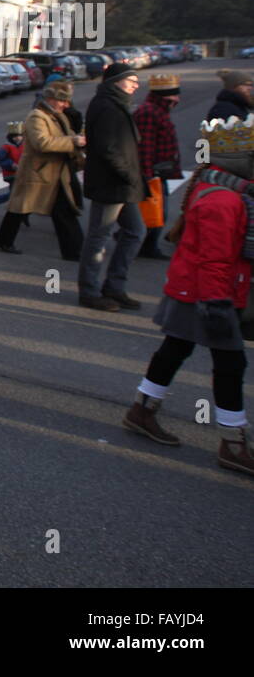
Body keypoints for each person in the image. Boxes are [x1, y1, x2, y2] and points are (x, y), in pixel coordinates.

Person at [119, 114, 254, 476]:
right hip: (206, 294)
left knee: (175, 349)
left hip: (195, 290)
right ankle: (233, 442)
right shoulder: (224, 200)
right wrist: (217, 303)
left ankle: (142, 410)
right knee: (230, 364)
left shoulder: (226, 191)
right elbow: (214, 259)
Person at [78, 63, 145, 312]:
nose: (136, 86)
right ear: (116, 81)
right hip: (111, 183)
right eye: (132, 81)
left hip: (122, 184)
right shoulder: (106, 105)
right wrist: (128, 174)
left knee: (135, 232)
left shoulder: (117, 103)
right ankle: (90, 290)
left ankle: (115, 286)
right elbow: (108, 148)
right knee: (99, 236)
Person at [0, 81, 86, 259]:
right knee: (20, 208)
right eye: (62, 101)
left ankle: (74, 250)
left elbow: (64, 136)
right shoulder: (37, 117)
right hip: (38, 172)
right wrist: (73, 142)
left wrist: (76, 140)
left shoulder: (58, 116)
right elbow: (42, 143)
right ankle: (74, 251)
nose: (66, 105)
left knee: (58, 211)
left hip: (54, 172)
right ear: (51, 99)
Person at [135, 74, 182, 260]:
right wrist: (147, 174)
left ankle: (147, 245)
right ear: (165, 95)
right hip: (153, 171)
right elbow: (144, 145)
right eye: (174, 95)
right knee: (155, 211)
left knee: (157, 211)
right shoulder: (149, 112)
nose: (178, 99)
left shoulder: (158, 110)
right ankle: (144, 245)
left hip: (158, 170)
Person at [0, 122, 25, 215]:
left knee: (18, 193)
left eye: (19, 136)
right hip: (11, 174)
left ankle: (22, 212)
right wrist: (11, 165)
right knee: (14, 194)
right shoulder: (6, 147)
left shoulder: (24, 145)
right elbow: (1, 159)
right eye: (14, 136)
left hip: (23, 173)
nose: (17, 138)